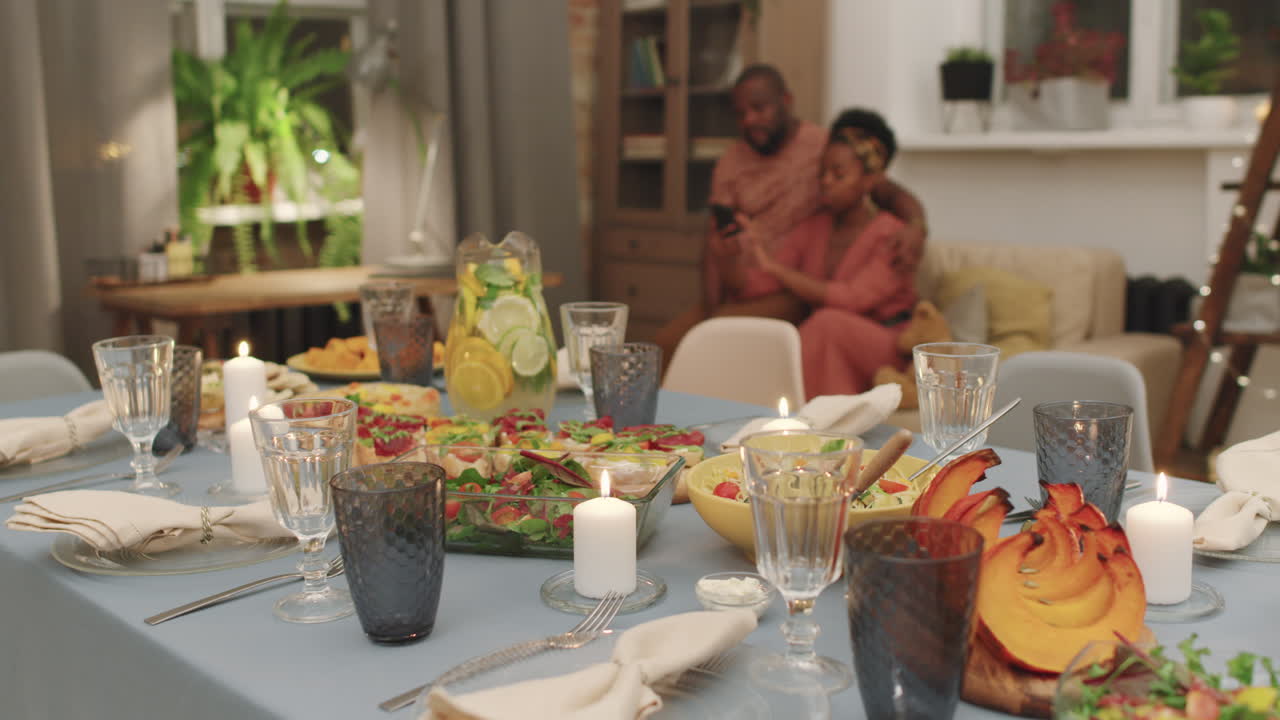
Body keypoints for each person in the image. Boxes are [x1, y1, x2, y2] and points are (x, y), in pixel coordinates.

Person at [654, 64, 928, 364]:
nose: (749, 120)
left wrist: (916, 224)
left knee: (710, 340)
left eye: (759, 108)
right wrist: (712, 302)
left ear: (785, 101)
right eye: (740, 113)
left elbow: (884, 189)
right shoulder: (732, 164)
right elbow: (715, 242)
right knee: (661, 348)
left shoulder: (828, 145)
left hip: (795, 292)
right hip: (750, 279)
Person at [742, 108, 917, 399]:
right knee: (814, 330)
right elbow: (762, 284)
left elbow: (852, 299)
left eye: (839, 174)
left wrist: (777, 270)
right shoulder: (814, 226)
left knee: (827, 323)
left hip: (887, 344)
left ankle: (804, 423)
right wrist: (746, 251)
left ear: (869, 181)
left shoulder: (892, 235)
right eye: (822, 172)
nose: (826, 182)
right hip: (833, 343)